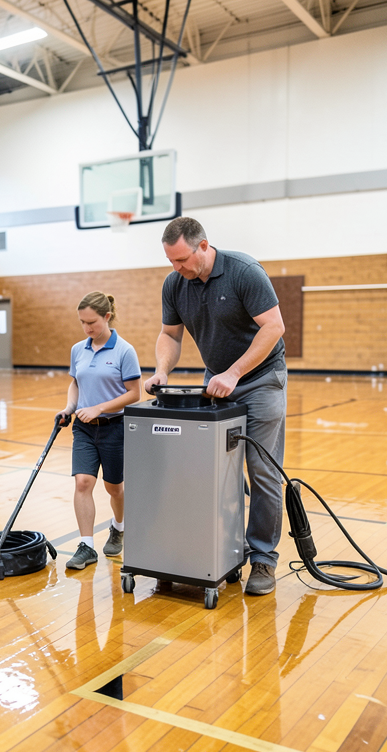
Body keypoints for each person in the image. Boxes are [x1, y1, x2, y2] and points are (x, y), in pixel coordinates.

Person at [145, 217, 287, 595]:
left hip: (259, 381)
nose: (177, 269)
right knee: (213, 471)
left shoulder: (244, 272)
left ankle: (262, 560)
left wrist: (235, 373)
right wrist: (162, 370)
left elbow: (273, 328)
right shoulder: (176, 284)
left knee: (262, 471)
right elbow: (169, 335)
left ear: (203, 246)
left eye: (182, 260)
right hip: (218, 383)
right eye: (171, 262)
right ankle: (224, 548)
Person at [55, 292, 142, 570]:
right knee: (83, 483)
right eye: (82, 322)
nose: (87, 328)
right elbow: (76, 383)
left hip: (114, 427)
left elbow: (134, 394)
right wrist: (70, 407)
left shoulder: (124, 351)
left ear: (107, 317)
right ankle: (86, 546)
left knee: (114, 488)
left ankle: (118, 527)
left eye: (91, 322)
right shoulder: (78, 349)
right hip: (83, 428)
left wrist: (100, 408)